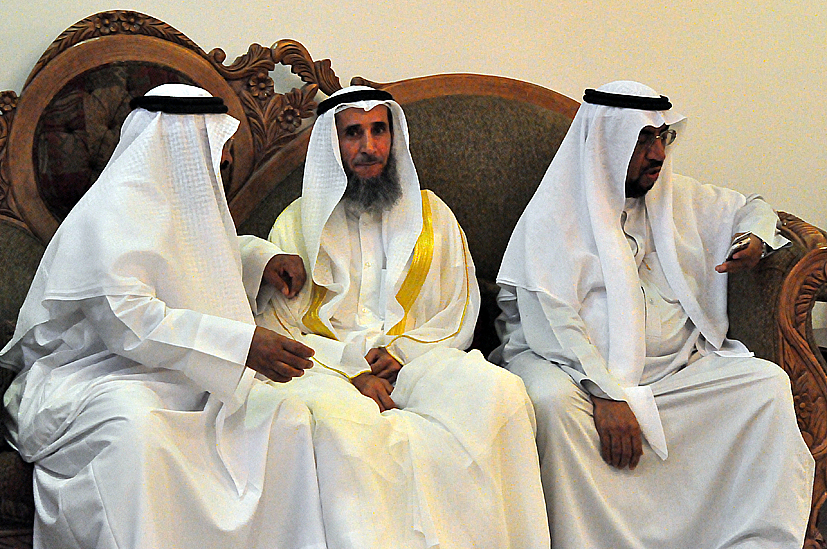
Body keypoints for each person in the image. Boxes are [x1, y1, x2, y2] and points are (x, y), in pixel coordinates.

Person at [0, 84, 328, 549]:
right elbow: (129, 320)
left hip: (179, 370)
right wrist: (242, 343)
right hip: (95, 374)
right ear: (177, 144)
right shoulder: (112, 210)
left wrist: (260, 261)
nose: (225, 162)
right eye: (215, 148)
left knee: (286, 417)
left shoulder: (177, 198)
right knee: (139, 432)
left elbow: (197, 254)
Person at [493, 80, 815, 548]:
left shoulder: (676, 198)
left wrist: (755, 237)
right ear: (607, 142)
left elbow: (754, 207)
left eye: (662, 137)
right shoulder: (554, 215)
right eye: (643, 139)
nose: (658, 154)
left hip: (670, 374)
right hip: (571, 372)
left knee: (764, 386)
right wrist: (606, 394)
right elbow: (551, 323)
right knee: (550, 405)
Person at [257, 85, 550, 548]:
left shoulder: (434, 215)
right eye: (353, 133)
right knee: (342, 429)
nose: (369, 147)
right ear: (333, 144)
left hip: (421, 358)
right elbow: (280, 328)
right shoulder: (294, 223)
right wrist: (352, 371)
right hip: (329, 369)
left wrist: (402, 353)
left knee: (503, 394)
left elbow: (460, 308)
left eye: (379, 131)